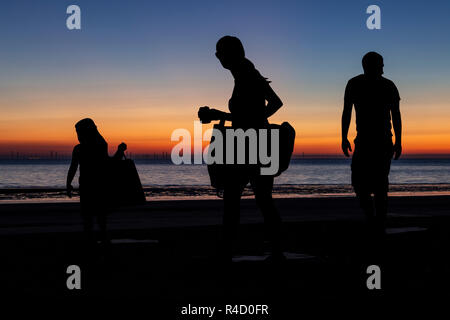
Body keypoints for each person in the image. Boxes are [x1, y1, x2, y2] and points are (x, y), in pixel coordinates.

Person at [198, 36, 284, 261]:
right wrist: (256, 122)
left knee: (235, 200)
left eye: (220, 52)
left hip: (249, 144)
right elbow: (273, 104)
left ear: (232, 53)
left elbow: (270, 106)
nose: (217, 56)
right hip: (255, 141)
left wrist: (220, 115)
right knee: (262, 200)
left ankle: (227, 252)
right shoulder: (246, 72)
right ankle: (275, 251)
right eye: (217, 52)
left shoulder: (246, 73)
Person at [341, 52, 402, 235]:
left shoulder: (388, 85)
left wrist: (399, 141)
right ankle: (371, 216)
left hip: (383, 141)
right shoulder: (354, 84)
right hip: (364, 141)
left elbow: (396, 115)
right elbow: (346, 112)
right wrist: (343, 137)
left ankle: (379, 222)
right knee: (359, 181)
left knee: (381, 183)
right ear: (369, 65)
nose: (383, 68)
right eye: (380, 65)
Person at [66, 118, 127, 248]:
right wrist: (120, 151)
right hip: (98, 186)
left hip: (89, 187)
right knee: (100, 217)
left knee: (90, 217)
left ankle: (92, 242)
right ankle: (102, 241)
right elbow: (111, 163)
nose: (78, 135)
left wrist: (68, 183)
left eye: (78, 132)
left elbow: (73, 167)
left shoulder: (79, 149)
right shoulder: (100, 146)